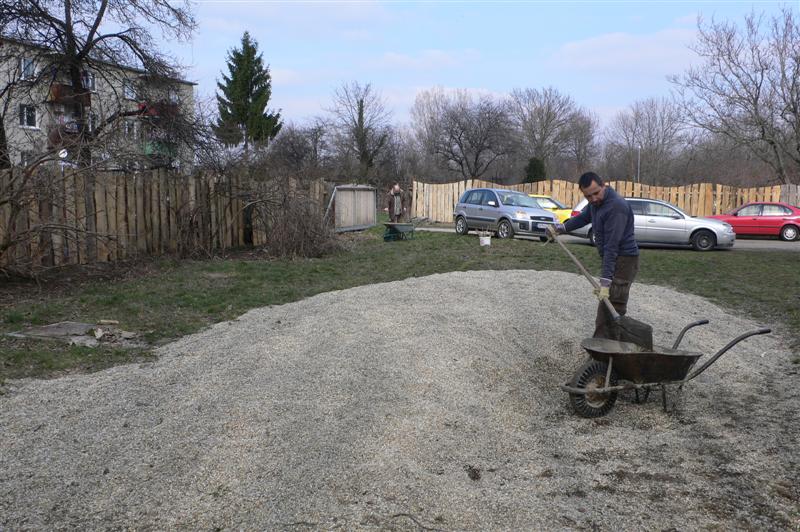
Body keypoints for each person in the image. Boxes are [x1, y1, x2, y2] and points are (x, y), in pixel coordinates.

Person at [550, 172, 639, 339]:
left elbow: (611, 247)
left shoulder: (616, 207)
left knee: (612, 307)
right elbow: (583, 218)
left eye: (596, 193)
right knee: (608, 307)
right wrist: (561, 228)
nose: (593, 199)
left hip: (625, 260)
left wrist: (605, 282)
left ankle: (605, 352)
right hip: (614, 257)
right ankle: (607, 350)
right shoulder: (595, 204)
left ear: (603, 185)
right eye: (588, 196)